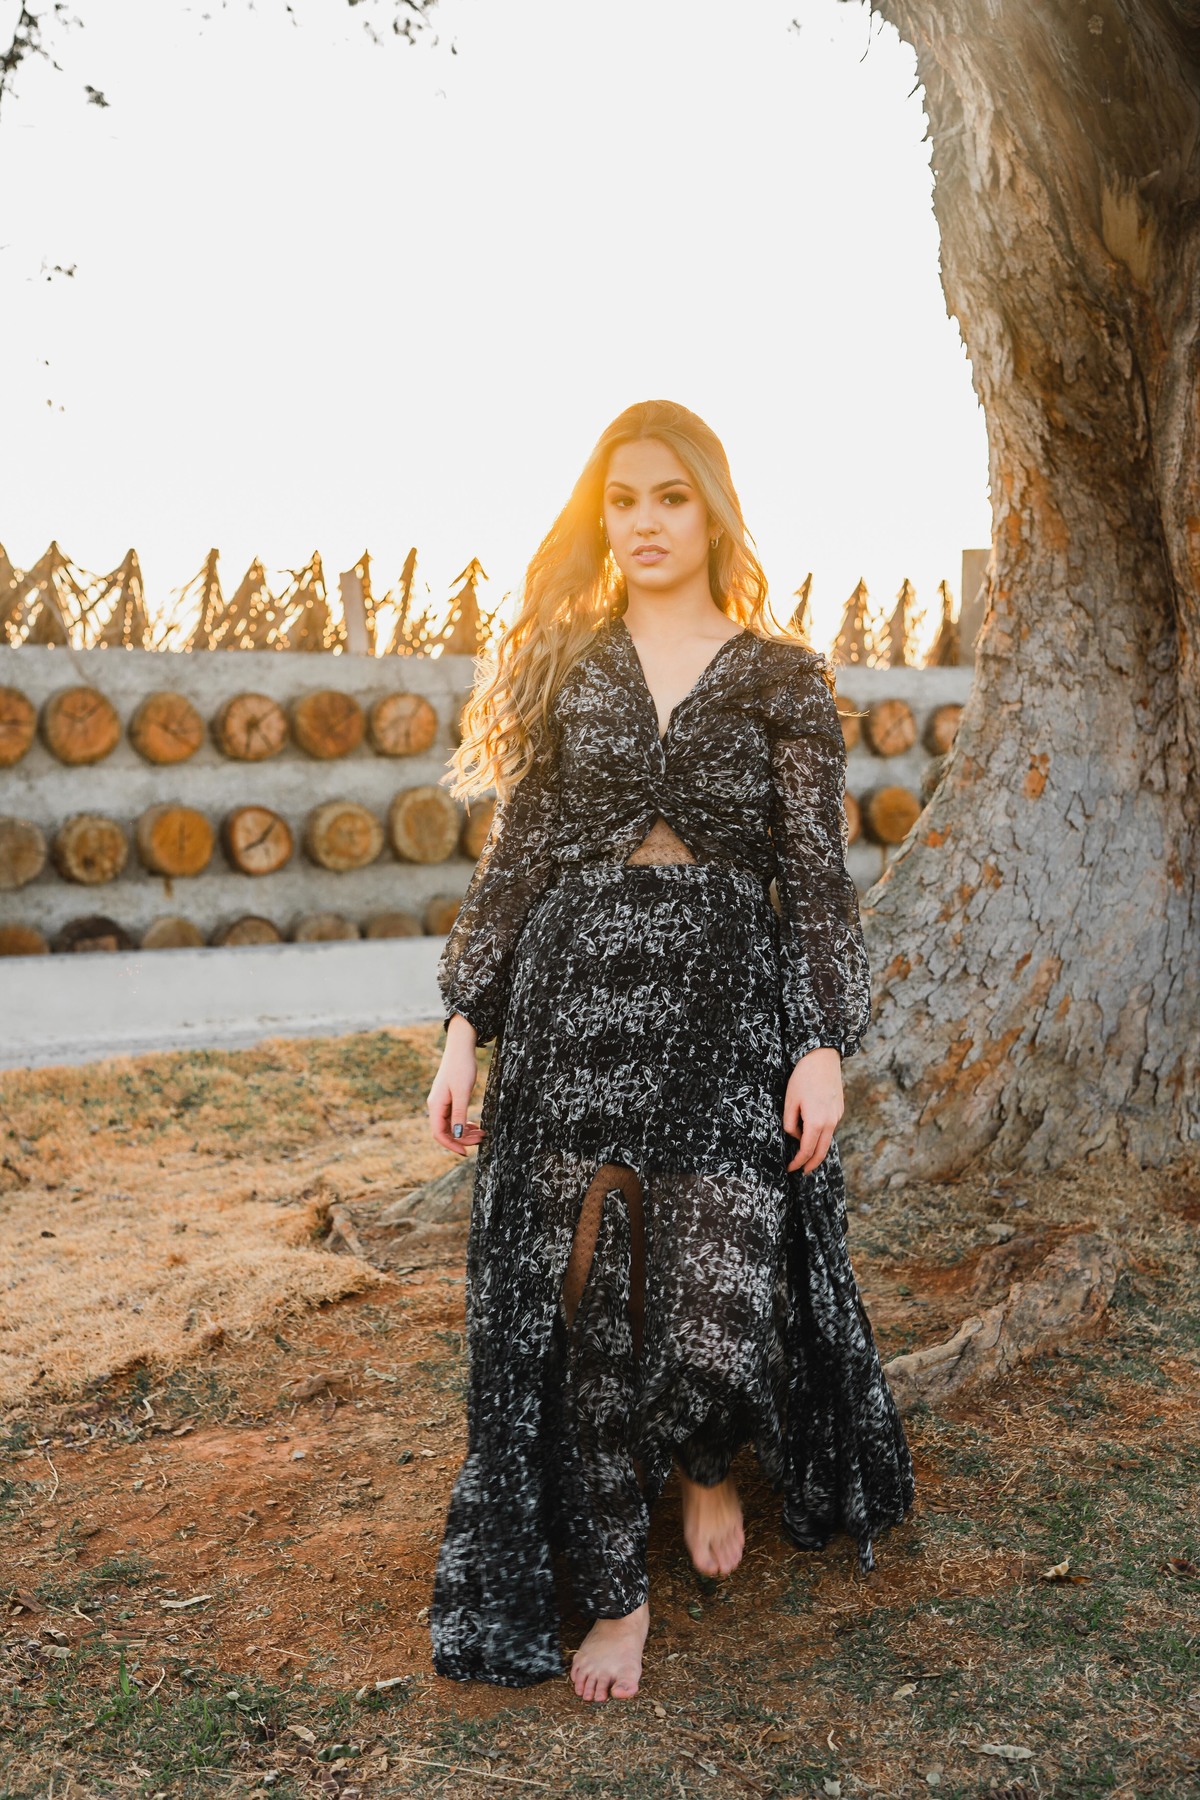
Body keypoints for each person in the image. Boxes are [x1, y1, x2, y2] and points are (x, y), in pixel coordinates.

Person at [424, 398, 915, 1702]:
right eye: (622, 500)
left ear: (713, 509)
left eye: (670, 497)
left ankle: (703, 1461)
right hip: (575, 1002)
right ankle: (616, 1596)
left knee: (710, 1277)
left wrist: (821, 1041)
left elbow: (815, 880)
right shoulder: (570, 665)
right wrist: (465, 1025)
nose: (643, 522)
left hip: (724, 1003)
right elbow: (520, 855)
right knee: (585, 1286)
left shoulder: (781, 678)